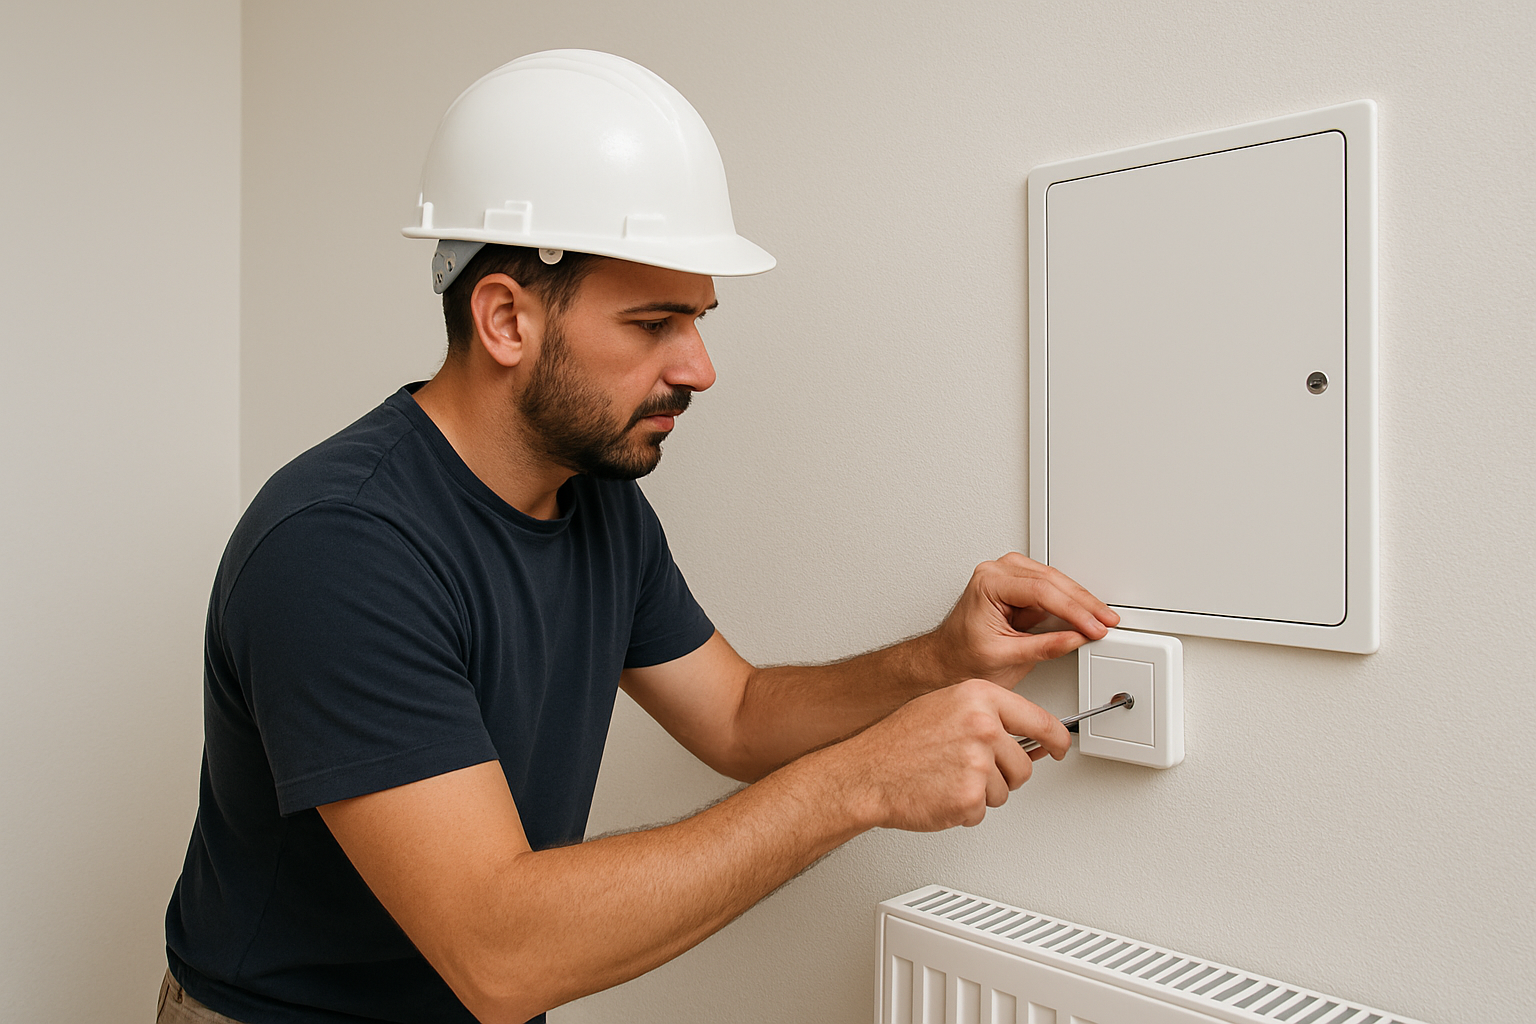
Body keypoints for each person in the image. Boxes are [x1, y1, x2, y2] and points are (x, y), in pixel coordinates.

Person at [160, 50, 1119, 1024]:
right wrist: (862, 783)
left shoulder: (599, 501)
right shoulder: (340, 548)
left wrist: (940, 659)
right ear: (504, 319)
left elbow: (739, 714)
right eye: (656, 322)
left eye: (697, 319)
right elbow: (498, 956)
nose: (699, 366)